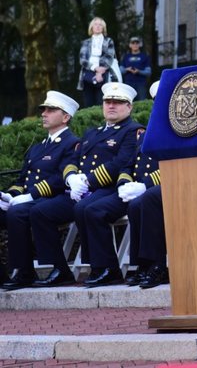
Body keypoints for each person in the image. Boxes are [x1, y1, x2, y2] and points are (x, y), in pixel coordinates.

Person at [30, 83, 142, 287]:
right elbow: (74, 159)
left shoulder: (132, 131)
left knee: (91, 210)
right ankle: (94, 267)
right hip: (89, 190)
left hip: (118, 188)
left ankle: (108, 268)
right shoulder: (93, 133)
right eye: (108, 101)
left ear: (129, 107)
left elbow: (121, 163)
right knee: (63, 209)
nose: (111, 106)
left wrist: (88, 180)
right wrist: (72, 177)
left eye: (118, 102)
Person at [0, 92, 80, 290]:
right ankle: (7, 272)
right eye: (43, 109)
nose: (44, 113)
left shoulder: (73, 143)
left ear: (66, 117)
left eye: (50, 110)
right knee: (10, 209)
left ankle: (46, 270)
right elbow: (22, 180)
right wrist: (10, 195)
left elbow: (62, 178)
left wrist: (31, 195)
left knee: (20, 212)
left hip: (62, 199)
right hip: (35, 200)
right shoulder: (37, 148)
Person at [121, 81, 166, 289]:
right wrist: (125, 183)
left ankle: (157, 266)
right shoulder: (148, 130)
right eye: (156, 101)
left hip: (172, 182)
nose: (160, 104)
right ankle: (142, 264)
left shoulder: (180, 124)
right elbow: (129, 163)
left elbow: (174, 163)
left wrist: (145, 184)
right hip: (149, 188)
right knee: (134, 205)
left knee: (147, 199)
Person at [77, 17, 117, 108]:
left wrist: (100, 72)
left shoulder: (108, 41)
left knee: (102, 102)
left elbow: (109, 57)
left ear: (103, 28)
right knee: (88, 103)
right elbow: (82, 59)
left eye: (100, 25)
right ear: (91, 27)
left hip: (104, 74)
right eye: (96, 24)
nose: (98, 26)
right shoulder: (85, 42)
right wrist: (95, 68)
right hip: (87, 73)